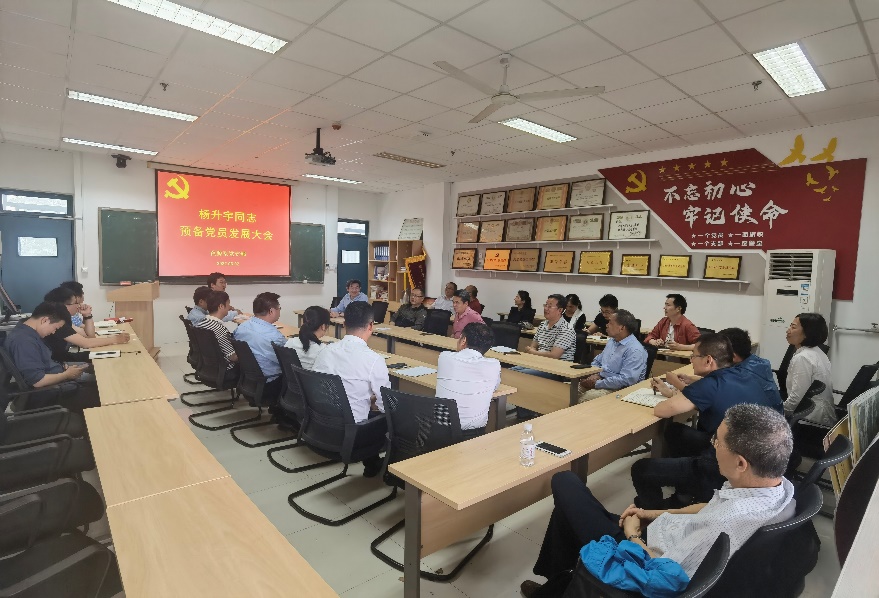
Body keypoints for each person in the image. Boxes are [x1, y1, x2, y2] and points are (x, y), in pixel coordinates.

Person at [520, 404, 795, 598]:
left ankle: (558, 586)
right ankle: (560, 587)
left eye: (717, 442)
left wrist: (632, 536)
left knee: (564, 481)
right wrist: (652, 513)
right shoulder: (776, 487)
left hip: (638, 559)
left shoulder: (727, 522)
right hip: (656, 536)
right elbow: (710, 507)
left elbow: (667, 577)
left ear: (741, 463)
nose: (712, 445)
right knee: (567, 512)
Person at [631, 333, 783, 509]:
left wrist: (670, 389)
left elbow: (662, 410)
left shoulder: (709, 385)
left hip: (728, 466)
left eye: (694, 355)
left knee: (641, 469)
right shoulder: (744, 373)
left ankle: (652, 516)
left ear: (708, 360)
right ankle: (684, 495)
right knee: (675, 432)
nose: (691, 360)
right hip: (758, 459)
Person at [313, 301, 390, 477]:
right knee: (393, 415)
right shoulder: (373, 360)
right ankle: (388, 470)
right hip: (352, 435)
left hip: (319, 426)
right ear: (371, 326)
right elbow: (386, 405)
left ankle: (372, 463)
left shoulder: (326, 351)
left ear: (344, 324)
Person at [3, 302, 99, 411]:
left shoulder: (26, 330)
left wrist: (63, 368)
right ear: (45, 320)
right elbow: (38, 381)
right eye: (55, 328)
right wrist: (66, 375)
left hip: (57, 378)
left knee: (96, 371)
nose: (54, 332)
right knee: (100, 391)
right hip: (48, 394)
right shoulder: (24, 341)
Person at [436, 322, 501, 440]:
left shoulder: (444, 357)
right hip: (473, 435)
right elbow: (495, 387)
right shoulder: (494, 365)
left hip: (440, 431)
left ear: (463, 340)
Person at [42, 287, 131, 362]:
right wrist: (116, 339)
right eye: (76, 303)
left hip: (63, 357)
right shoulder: (56, 323)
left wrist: (87, 315)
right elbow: (86, 343)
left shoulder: (62, 319)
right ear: (64, 306)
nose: (79, 305)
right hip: (58, 363)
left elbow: (89, 336)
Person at [578, 309, 647, 402]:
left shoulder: (635, 350)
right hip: (602, 380)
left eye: (610, 322)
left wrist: (597, 383)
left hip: (621, 389)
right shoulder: (612, 341)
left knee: (585, 399)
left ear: (621, 328)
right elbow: (598, 361)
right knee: (568, 391)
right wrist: (594, 374)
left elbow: (626, 380)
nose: (606, 325)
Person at [783, 313, 835, 425]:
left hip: (809, 419)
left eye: (793, 327)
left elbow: (796, 398)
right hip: (820, 414)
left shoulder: (803, 358)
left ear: (807, 333)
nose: (788, 330)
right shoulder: (818, 351)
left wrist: (779, 412)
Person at [233, 292, 286, 401]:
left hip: (247, 381)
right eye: (279, 308)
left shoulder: (241, 328)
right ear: (271, 311)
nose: (279, 311)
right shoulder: (275, 337)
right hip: (269, 385)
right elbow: (287, 362)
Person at [194, 291, 238, 378]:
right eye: (228, 304)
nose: (229, 307)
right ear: (221, 306)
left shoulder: (200, 324)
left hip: (208, 368)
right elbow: (233, 357)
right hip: (226, 371)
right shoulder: (219, 329)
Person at [522, 294, 576, 362]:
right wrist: (531, 350)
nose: (546, 308)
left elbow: (554, 356)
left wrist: (533, 352)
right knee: (515, 367)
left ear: (560, 310)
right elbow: (533, 346)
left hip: (556, 366)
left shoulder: (566, 329)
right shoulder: (542, 324)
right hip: (539, 362)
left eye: (550, 306)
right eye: (546, 305)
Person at [285, 305, 330, 370]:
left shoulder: (290, 342)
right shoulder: (323, 350)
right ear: (323, 326)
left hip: (291, 376)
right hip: (312, 377)